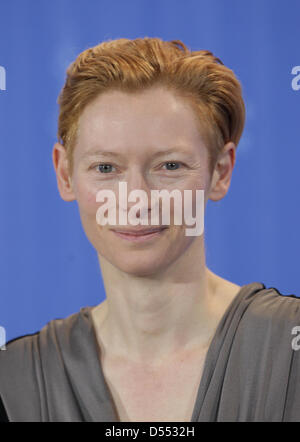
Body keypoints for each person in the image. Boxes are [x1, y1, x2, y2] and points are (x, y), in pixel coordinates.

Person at [1, 37, 300, 422]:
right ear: (64, 174)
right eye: (106, 168)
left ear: (220, 171)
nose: (137, 200)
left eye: (170, 166)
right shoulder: (15, 380)